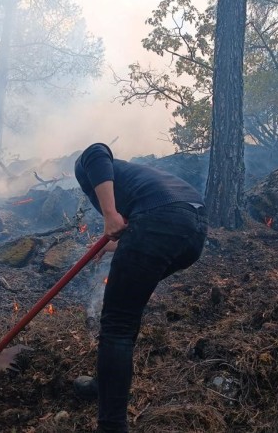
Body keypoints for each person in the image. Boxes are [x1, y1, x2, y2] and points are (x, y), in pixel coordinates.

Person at [73, 143, 208, 432]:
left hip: (161, 221)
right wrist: (117, 244)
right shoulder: (138, 179)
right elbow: (155, 218)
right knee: (125, 312)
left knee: (117, 324)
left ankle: (111, 425)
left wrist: (109, 213)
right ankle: (106, 384)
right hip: (193, 230)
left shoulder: (89, 168)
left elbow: (96, 151)